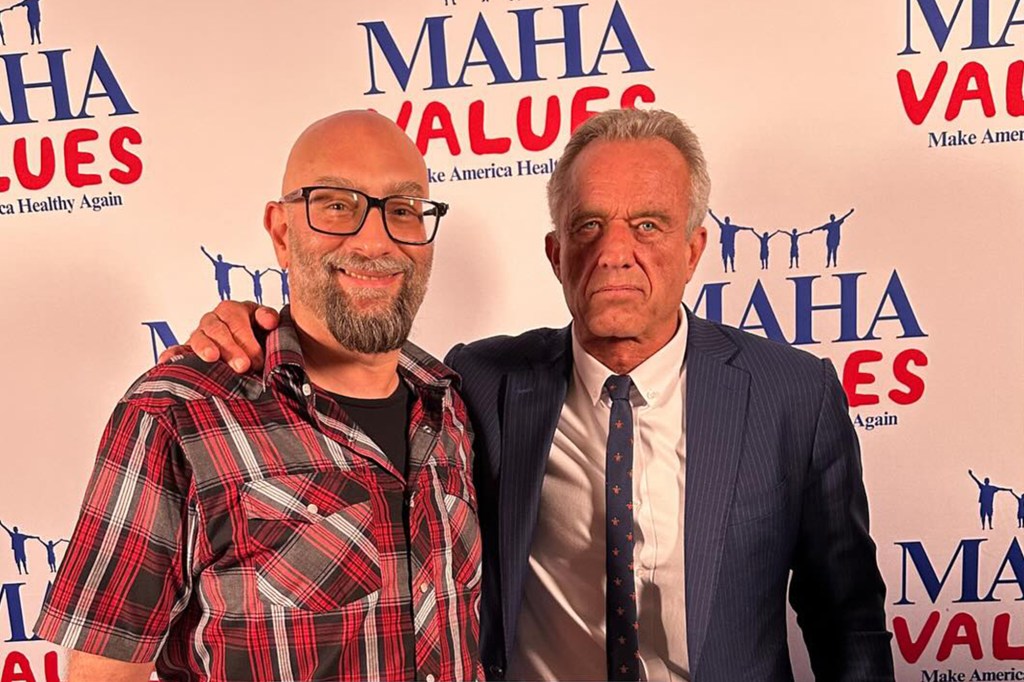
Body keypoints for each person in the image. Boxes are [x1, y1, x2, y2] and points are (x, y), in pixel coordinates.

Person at [170, 108, 893, 681]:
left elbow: (846, 619)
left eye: (648, 225)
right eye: (588, 226)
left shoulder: (791, 395)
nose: (616, 251)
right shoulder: (473, 385)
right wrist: (262, 330)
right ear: (556, 254)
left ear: (694, 248)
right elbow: (347, 364)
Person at [34, 110, 483, 682]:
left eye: (402, 209)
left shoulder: (450, 408)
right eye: (338, 205)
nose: (376, 240)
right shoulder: (177, 415)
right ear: (280, 233)